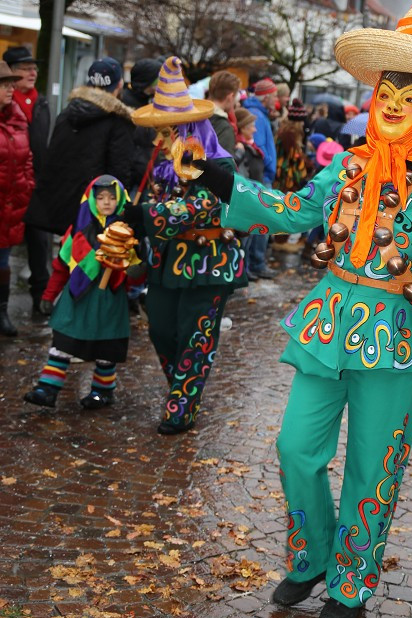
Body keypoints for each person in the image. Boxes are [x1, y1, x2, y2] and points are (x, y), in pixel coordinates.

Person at [197, 0, 412, 618]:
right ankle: (312, 555)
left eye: (410, 95)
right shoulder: (346, 167)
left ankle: (352, 580)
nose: (395, 104)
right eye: (387, 91)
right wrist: (229, 185)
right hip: (328, 324)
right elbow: (293, 212)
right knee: (296, 449)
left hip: (396, 336)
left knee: (375, 464)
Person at [122, 57, 247, 435]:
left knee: (196, 337)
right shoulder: (163, 165)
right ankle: (182, 389)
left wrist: (144, 214)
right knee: (161, 330)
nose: (162, 139)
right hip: (165, 263)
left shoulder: (219, 166)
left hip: (207, 264)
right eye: (160, 131)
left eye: (169, 130)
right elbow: (156, 201)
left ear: (189, 128)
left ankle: (182, 406)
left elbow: (199, 205)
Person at [24, 175, 136, 409]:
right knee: (64, 342)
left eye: (112, 198)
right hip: (78, 296)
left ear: (120, 200)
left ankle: (102, 391)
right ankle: (47, 388)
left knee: (106, 348)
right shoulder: (79, 230)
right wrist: (48, 295)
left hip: (109, 299)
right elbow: (62, 265)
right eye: (101, 197)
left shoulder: (129, 233)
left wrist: (131, 263)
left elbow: (138, 270)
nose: (106, 202)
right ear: (92, 199)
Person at [25, 57, 135, 237]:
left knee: (68, 257)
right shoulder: (118, 121)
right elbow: (119, 170)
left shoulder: (68, 111)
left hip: (62, 204)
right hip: (94, 207)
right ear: (119, 84)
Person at [3, 45, 52, 316]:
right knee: (4, 248)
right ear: (10, 73)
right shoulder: (7, 105)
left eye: (33, 67)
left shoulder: (40, 102)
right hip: (10, 185)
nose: (32, 72)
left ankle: (40, 297)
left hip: (36, 185)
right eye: (25, 68)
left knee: (40, 243)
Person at [0, 61, 34, 336]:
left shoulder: (17, 117)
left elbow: (27, 159)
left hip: (11, 206)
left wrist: (26, 185)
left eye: (12, 83)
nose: (11, 88)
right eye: (5, 84)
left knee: (3, 263)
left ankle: (2, 312)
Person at [241, 78, 278, 280]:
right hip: (260, 177)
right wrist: (269, 163)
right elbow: (258, 147)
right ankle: (254, 265)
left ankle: (254, 264)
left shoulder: (262, 114)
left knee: (261, 224)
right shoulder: (256, 115)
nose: (276, 101)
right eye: (273, 96)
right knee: (260, 224)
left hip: (262, 175)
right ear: (265, 97)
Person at [121, 57, 162, 193]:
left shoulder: (146, 101)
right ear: (146, 82)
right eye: (158, 81)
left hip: (144, 175)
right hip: (133, 178)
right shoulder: (126, 105)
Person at [208, 70, 240, 154]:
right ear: (231, 96)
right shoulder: (224, 127)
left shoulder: (195, 117)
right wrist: (239, 153)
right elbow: (225, 165)